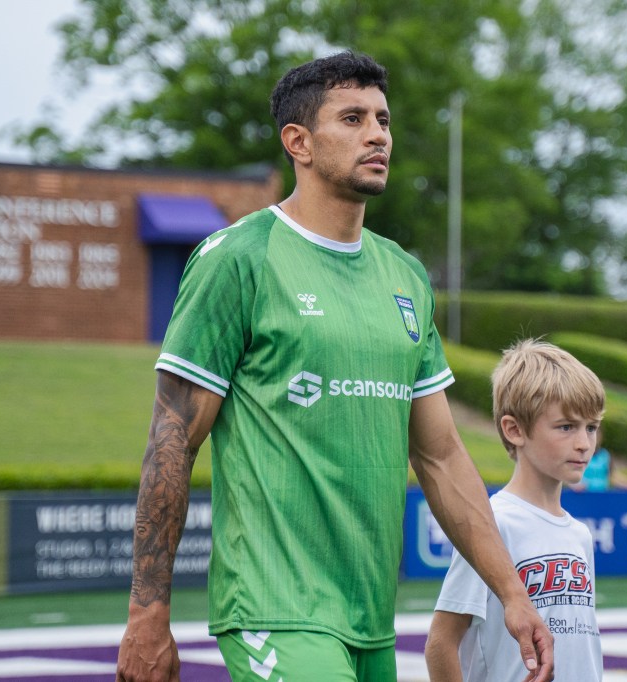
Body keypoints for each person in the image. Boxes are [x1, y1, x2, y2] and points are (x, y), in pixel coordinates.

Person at [115, 51, 554, 682]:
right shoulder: (237, 258)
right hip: (274, 606)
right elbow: (171, 441)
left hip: (371, 619)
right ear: (299, 142)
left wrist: (512, 593)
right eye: (352, 118)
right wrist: (147, 613)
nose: (378, 134)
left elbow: (440, 456)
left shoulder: (403, 274)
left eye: (382, 119)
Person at [425, 339, 605, 682]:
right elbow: (441, 641)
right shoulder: (492, 524)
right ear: (514, 430)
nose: (584, 443)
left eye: (591, 427)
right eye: (566, 426)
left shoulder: (580, 535)